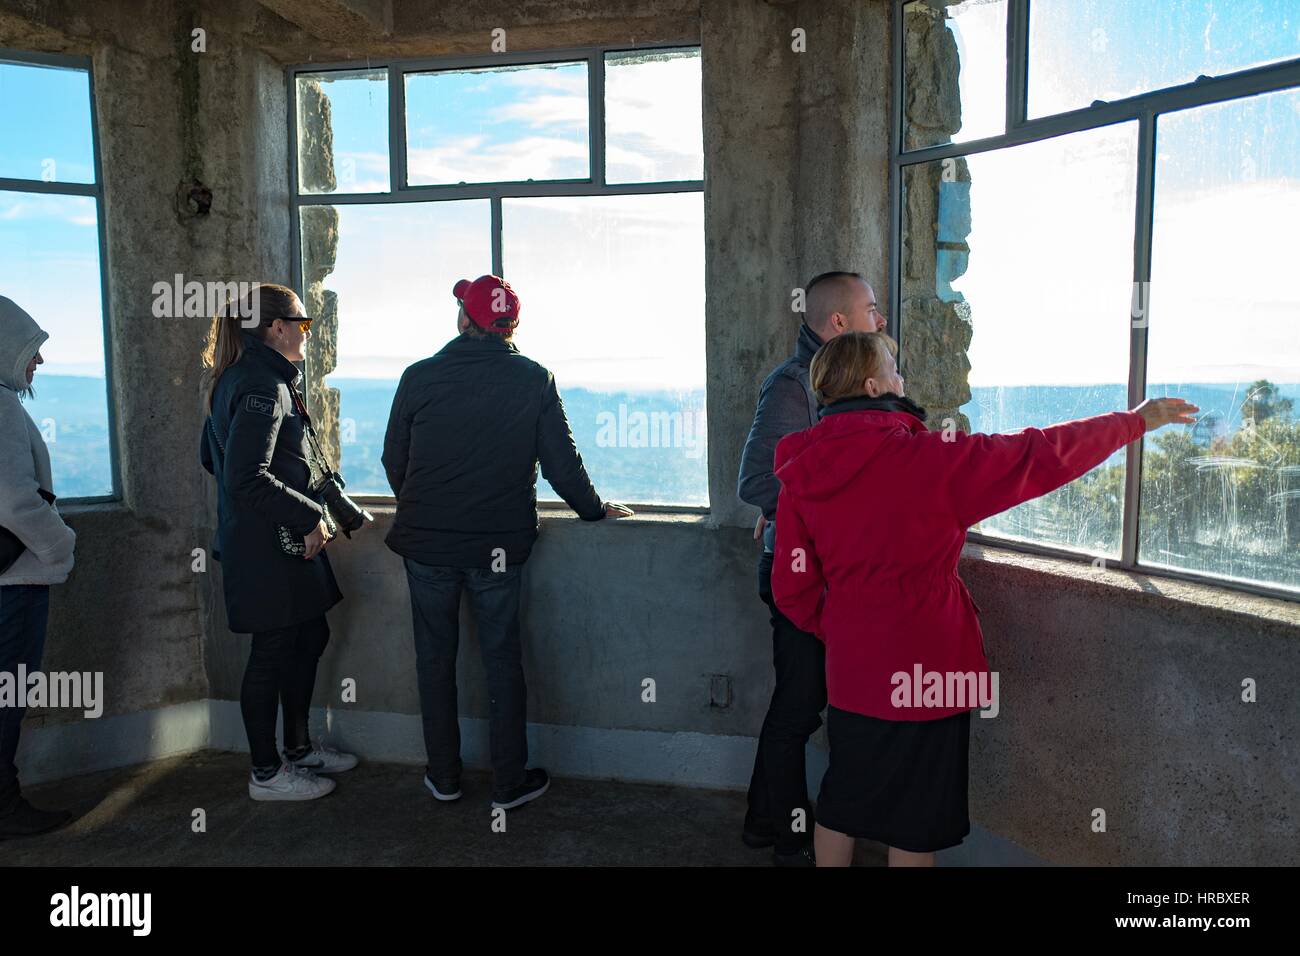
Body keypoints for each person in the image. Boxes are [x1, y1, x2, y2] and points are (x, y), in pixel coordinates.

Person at [771, 331, 1197, 866]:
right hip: (928, 663)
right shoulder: (930, 459)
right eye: (894, 370)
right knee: (913, 823)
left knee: (842, 799)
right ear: (874, 384)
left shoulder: (800, 473)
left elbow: (792, 586)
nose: (903, 381)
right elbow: (1038, 455)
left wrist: (840, 626)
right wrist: (1135, 421)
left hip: (852, 666)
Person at [382, 274, 632, 811]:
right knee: (502, 661)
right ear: (511, 325)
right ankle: (508, 782)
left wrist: (425, 506)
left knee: (434, 661)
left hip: (426, 544)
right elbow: (561, 464)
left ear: (464, 319)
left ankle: (444, 778)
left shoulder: (419, 376)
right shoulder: (534, 379)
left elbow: (392, 460)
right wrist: (594, 510)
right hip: (498, 547)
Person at [735, 271, 885, 866]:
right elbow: (756, 482)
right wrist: (803, 510)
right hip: (800, 577)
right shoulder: (794, 386)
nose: (881, 320)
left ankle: (760, 823)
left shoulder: (837, 381)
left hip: (830, 574)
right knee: (799, 708)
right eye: (872, 310)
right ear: (839, 323)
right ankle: (793, 836)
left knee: (798, 704)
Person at [200, 283, 359, 801]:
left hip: (276, 539)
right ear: (276, 328)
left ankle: (297, 749)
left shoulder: (247, 379)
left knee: (308, 638)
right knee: (272, 652)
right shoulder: (261, 387)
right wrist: (309, 514)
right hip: (269, 548)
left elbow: (214, 457)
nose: (307, 334)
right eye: (302, 324)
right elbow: (244, 476)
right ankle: (266, 774)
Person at [0, 296, 75, 838]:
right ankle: (5, 806)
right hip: (15, 583)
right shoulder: (1, 405)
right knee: (8, 699)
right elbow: (14, 501)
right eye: (32, 350)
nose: (39, 362)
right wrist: (60, 547)